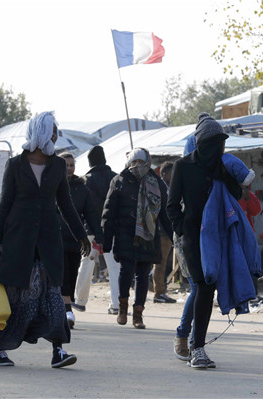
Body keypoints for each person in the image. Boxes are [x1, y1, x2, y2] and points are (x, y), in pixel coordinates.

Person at [0, 111, 91, 368]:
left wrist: (81, 235)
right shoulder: (15, 165)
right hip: (18, 241)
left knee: (53, 297)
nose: (55, 135)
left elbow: (65, 204)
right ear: (40, 132)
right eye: (52, 130)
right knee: (18, 301)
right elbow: (5, 203)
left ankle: (59, 351)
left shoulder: (56, 166)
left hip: (47, 243)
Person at [168, 113, 244, 369]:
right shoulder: (183, 166)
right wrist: (182, 230)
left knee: (208, 287)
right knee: (201, 285)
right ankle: (196, 348)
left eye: (221, 143)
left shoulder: (222, 166)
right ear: (201, 144)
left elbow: (238, 194)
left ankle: (196, 345)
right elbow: (171, 206)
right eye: (214, 143)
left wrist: (224, 174)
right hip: (192, 239)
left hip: (219, 237)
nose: (218, 148)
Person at [102, 148, 173, 329]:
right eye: (135, 162)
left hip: (148, 237)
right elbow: (108, 212)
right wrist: (106, 240)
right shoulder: (119, 181)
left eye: (141, 163)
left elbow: (164, 212)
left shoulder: (156, 182)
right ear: (129, 163)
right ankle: (123, 308)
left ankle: (138, 314)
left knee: (142, 275)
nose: (138, 166)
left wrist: (175, 234)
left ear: (147, 164)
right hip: (125, 235)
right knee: (126, 271)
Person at [57, 152, 104, 329]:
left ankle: (65, 308)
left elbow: (90, 214)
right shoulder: (50, 186)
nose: (69, 168)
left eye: (71, 165)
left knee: (71, 272)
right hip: (54, 240)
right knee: (62, 276)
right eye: (65, 165)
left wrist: (99, 235)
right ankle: (67, 310)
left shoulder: (81, 188)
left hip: (75, 240)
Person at [83, 146, 119, 314]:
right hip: (112, 229)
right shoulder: (116, 178)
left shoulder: (87, 180)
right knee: (114, 267)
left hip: (91, 229)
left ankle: (79, 301)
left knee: (85, 265)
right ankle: (116, 304)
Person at [152, 161, 176, 304]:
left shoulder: (167, 187)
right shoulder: (161, 188)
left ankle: (161, 291)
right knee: (159, 264)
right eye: (172, 173)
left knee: (162, 263)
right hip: (162, 231)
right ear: (165, 174)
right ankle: (159, 293)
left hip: (166, 230)